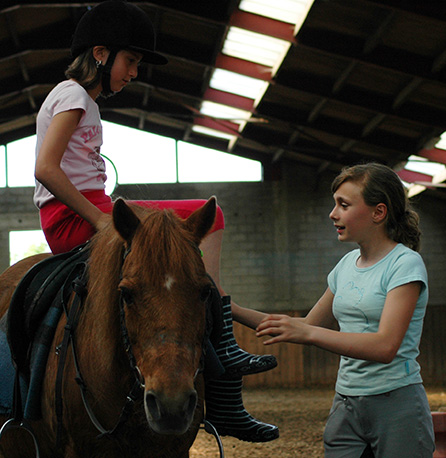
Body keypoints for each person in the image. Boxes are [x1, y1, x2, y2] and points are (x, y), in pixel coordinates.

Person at [33, 0, 278, 443]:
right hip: (78, 217)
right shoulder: (74, 96)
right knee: (213, 215)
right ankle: (222, 333)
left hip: (88, 210)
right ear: (101, 53)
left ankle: (216, 315)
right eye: (130, 61)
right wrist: (101, 220)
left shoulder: (77, 99)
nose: (134, 72)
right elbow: (46, 169)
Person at [234, 163, 435, 457]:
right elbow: (306, 325)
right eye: (335, 204)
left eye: (344, 205)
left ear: (378, 212)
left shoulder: (404, 264)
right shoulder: (346, 265)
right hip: (346, 402)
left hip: (396, 402)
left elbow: (385, 346)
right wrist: (231, 307)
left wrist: (308, 333)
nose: (333, 213)